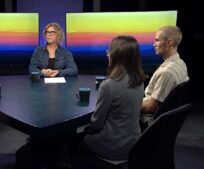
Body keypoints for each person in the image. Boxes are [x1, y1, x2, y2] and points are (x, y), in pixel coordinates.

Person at [70, 36, 145, 169]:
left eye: (109, 51)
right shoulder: (139, 80)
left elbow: (96, 124)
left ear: (115, 56)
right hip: (134, 145)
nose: (107, 53)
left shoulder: (109, 85)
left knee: (73, 142)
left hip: (112, 147)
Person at [141, 26, 189, 123]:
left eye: (157, 40)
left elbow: (150, 107)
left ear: (169, 43)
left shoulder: (166, 72)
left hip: (147, 121)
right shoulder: (181, 63)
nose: (154, 44)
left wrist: (128, 104)